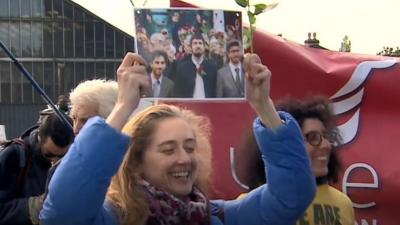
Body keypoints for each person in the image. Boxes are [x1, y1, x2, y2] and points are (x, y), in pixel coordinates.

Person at [39, 53, 316, 225]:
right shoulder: (114, 217)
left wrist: (264, 106)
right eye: (168, 149)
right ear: (136, 162)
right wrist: (123, 107)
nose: (184, 158)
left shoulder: (216, 216)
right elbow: (63, 214)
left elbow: (290, 198)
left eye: (190, 146)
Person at [236, 96, 355, 225]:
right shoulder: (250, 206)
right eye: (313, 137)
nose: (326, 145)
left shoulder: (343, 204)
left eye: (326, 136)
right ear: (286, 145)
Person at [0, 112, 74, 225]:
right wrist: (36, 206)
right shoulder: (13, 156)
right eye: (49, 155)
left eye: (62, 157)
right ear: (39, 137)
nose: (55, 162)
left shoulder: (76, 162)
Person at [172, 33, 217, 98]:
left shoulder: (212, 67)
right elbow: (177, 92)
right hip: (188, 106)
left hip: (208, 105)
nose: (198, 46)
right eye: (195, 43)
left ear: (204, 47)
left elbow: (215, 91)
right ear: (190, 47)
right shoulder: (182, 68)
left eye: (200, 43)